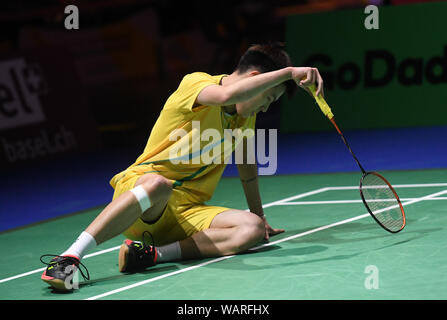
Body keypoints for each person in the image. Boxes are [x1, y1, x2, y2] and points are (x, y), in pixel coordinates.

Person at [40, 42, 324, 291]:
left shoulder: (245, 118)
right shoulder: (197, 84)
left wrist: (260, 218)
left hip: (185, 213)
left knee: (250, 230)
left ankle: (150, 255)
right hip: (143, 199)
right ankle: (68, 258)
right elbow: (227, 96)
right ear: (254, 79)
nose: (265, 108)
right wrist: (289, 72)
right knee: (158, 185)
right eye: (268, 98)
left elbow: (247, 168)